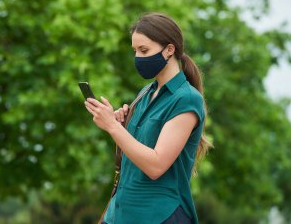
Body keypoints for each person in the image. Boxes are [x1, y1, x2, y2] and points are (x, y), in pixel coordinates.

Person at [84, 12, 212, 224]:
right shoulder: (145, 93)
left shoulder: (187, 99)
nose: (138, 58)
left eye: (144, 50)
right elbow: (133, 155)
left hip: (159, 215)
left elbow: (155, 166)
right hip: (121, 213)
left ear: (169, 50)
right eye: (135, 51)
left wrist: (112, 128)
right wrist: (119, 125)